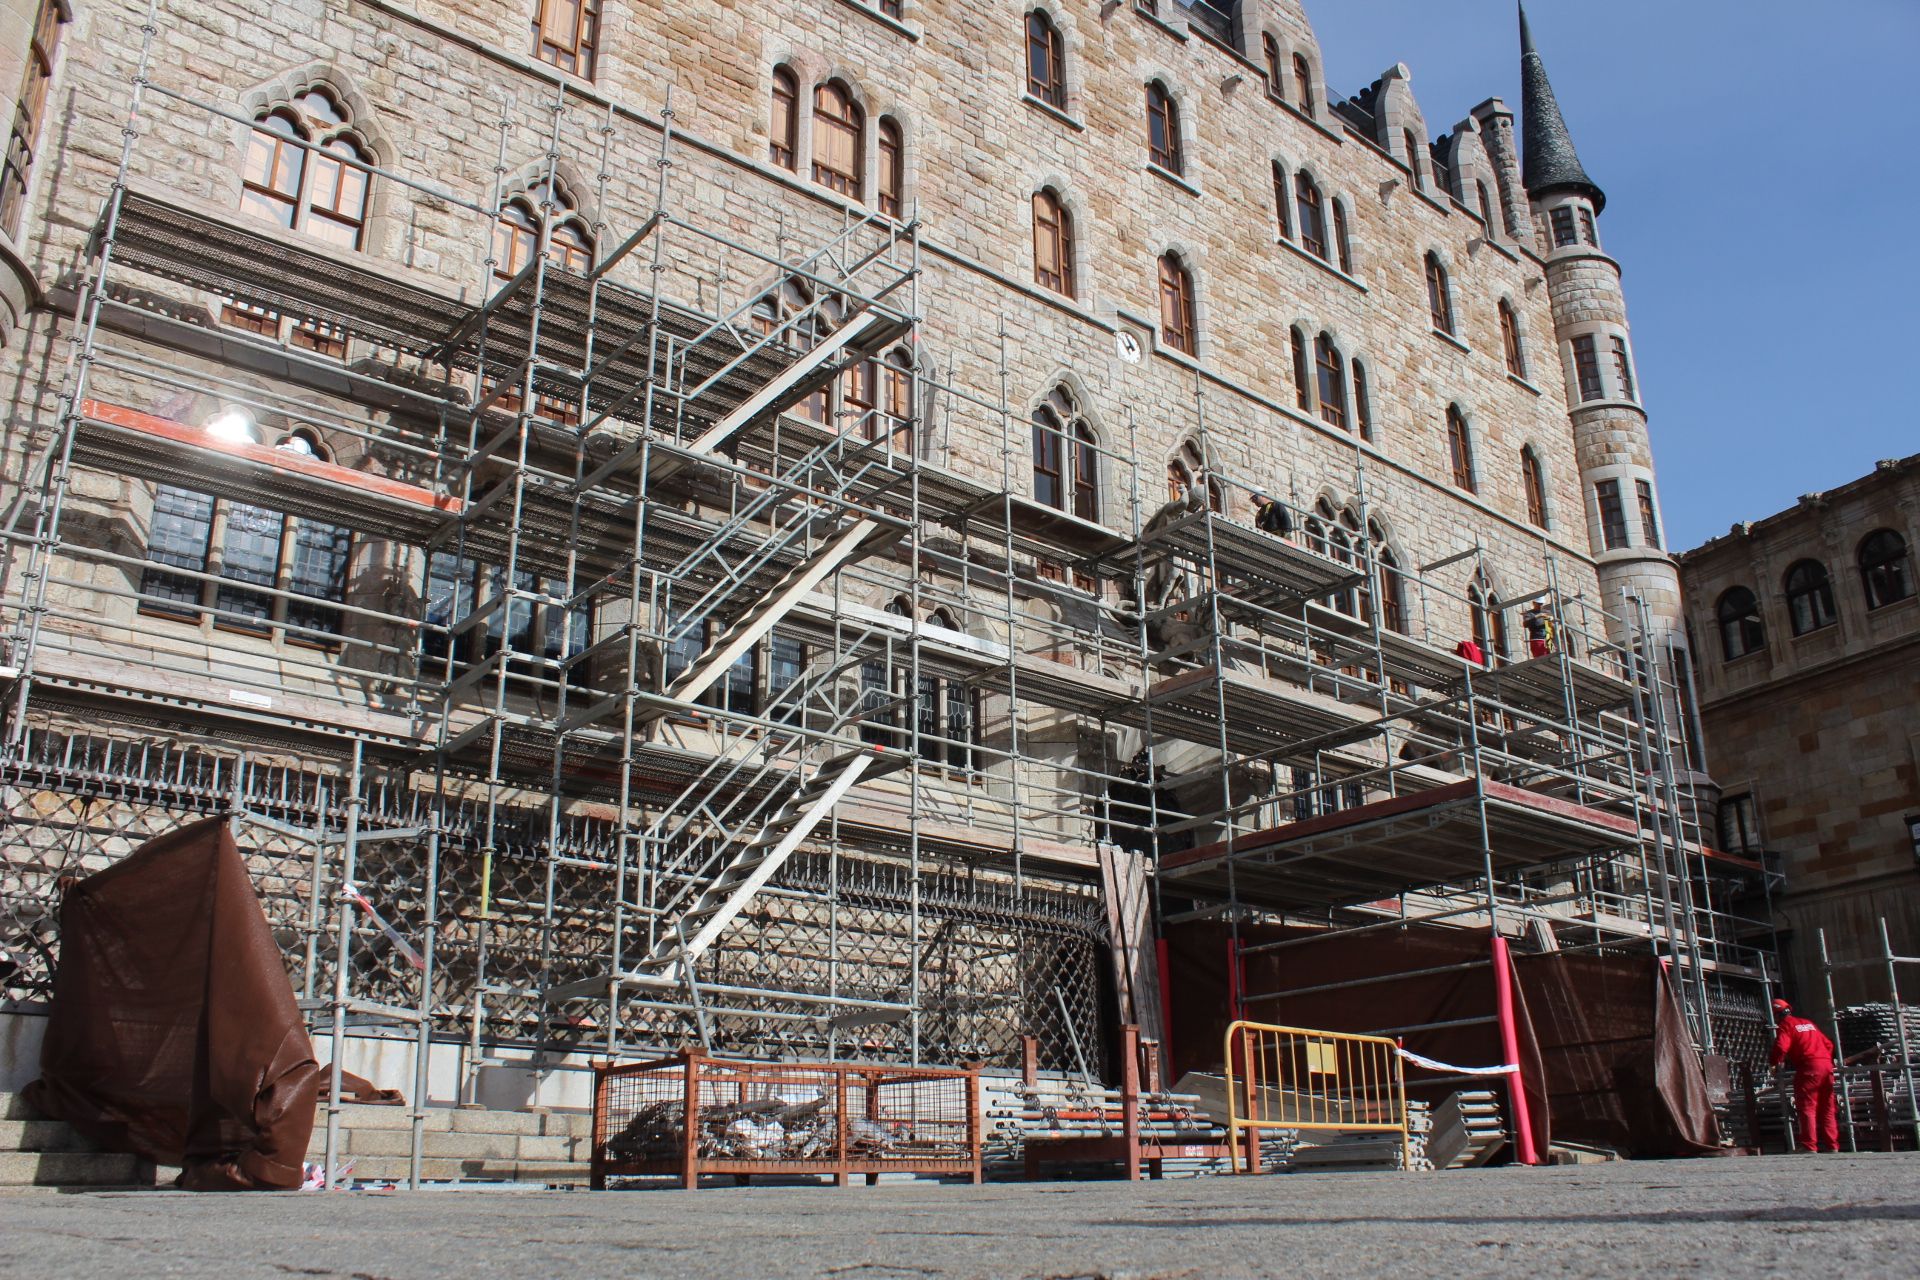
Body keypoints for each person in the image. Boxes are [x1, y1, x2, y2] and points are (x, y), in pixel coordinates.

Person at [1770, 999, 1840, 1153]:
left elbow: (1781, 1046)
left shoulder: (1786, 1025)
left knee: (1807, 1106)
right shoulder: (1807, 1023)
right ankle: (1832, 1145)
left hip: (1809, 1068)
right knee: (1827, 1107)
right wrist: (1823, 1059)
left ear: (1776, 1015)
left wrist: (1774, 1062)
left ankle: (1809, 1146)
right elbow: (1828, 1044)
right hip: (1826, 1066)